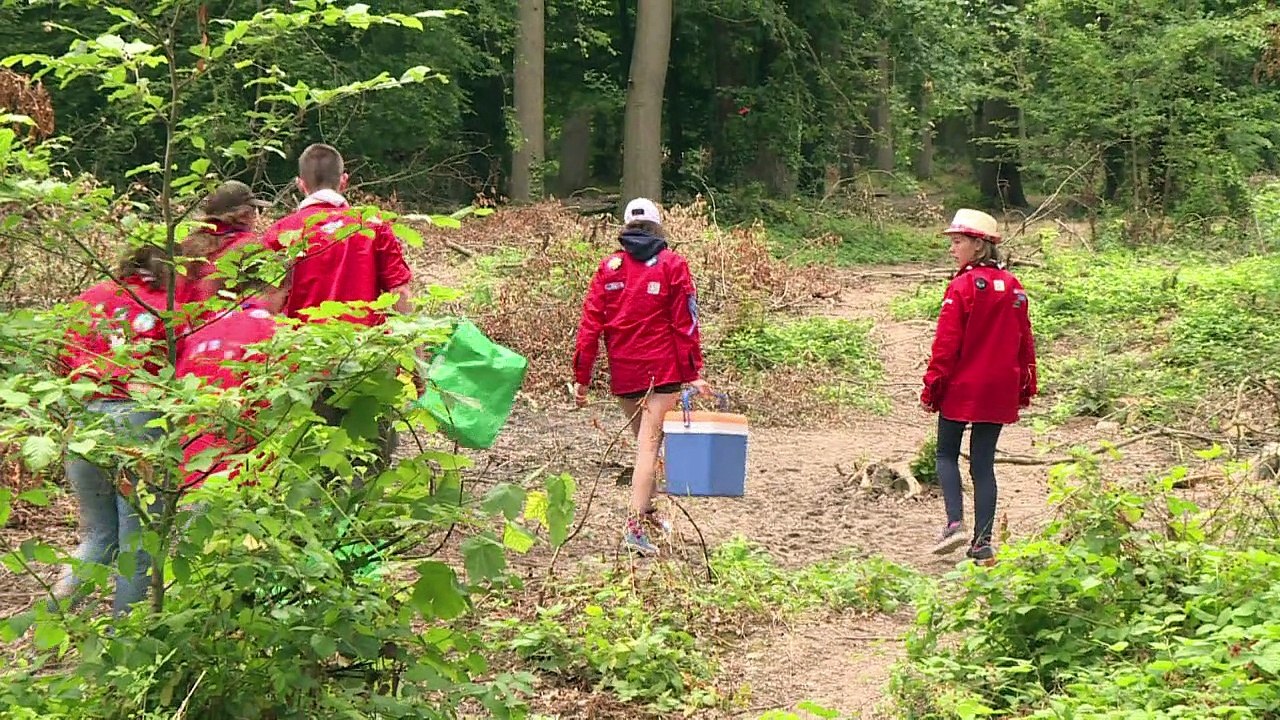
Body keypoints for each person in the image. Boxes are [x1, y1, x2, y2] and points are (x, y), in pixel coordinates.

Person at [260, 143, 415, 471]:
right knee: (371, 456)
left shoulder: (282, 233)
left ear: (301, 184)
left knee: (313, 460)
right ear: (344, 180)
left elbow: (268, 304)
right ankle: (365, 517)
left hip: (306, 362)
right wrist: (414, 357)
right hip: (368, 358)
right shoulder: (372, 224)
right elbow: (401, 293)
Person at [571, 198, 711, 556]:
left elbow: (589, 327)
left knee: (645, 448)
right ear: (658, 226)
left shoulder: (609, 268)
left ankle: (648, 513)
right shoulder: (673, 265)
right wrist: (693, 372)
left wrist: (582, 377)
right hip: (661, 372)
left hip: (624, 376)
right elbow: (686, 324)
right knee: (649, 448)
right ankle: (633, 527)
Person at [53, 244, 178, 615]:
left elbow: (63, 359)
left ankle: (46, 621)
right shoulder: (168, 307)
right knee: (137, 544)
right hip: (139, 423)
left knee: (98, 536)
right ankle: (128, 643)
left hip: (85, 418)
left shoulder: (92, 298)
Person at [921, 208, 1037, 564]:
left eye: (958, 242)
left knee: (945, 454)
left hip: (962, 387)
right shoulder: (1014, 287)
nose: (953, 249)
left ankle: (955, 523)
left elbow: (946, 344)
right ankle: (982, 543)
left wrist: (932, 386)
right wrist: (1026, 385)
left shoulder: (962, 287)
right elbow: (1025, 341)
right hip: (1000, 388)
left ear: (978, 245)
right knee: (983, 465)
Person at [175, 297, 279, 490]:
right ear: (277, 289)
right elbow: (277, 409)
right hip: (242, 474)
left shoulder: (203, 328)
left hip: (192, 470)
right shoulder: (270, 329)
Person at [178, 180, 272, 311]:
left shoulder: (188, 243)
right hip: (222, 325)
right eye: (254, 211)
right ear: (244, 215)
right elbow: (269, 295)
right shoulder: (248, 245)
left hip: (183, 325)